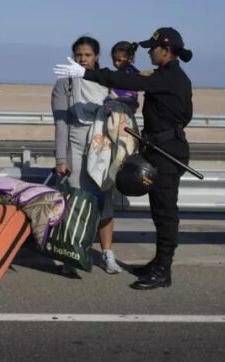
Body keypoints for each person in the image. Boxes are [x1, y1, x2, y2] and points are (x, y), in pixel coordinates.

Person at [54, 27, 194, 290]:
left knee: (165, 213)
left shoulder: (170, 77)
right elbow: (187, 114)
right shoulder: (167, 76)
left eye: (153, 48)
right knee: (158, 210)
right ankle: (158, 262)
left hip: (167, 152)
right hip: (160, 147)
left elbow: (128, 82)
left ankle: (163, 271)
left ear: (166, 50)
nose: (150, 52)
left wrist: (85, 73)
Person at [51, 36, 123, 276]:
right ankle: (71, 255)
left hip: (103, 145)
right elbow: (61, 124)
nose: (83, 59)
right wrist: (62, 159)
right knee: (75, 202)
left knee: (104, 201)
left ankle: (107, 254)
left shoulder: (108, 81)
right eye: (79, 55)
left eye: (87, 55)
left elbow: (125, 112)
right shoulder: (65, 84)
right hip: (76, 145)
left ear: (97, 57)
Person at [108, 41, 141, 113]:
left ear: (130, 58)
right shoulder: (135, 71)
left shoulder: (128, 73)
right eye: (114, 60)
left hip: (122, 107)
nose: (116, 63)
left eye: (119, 60)